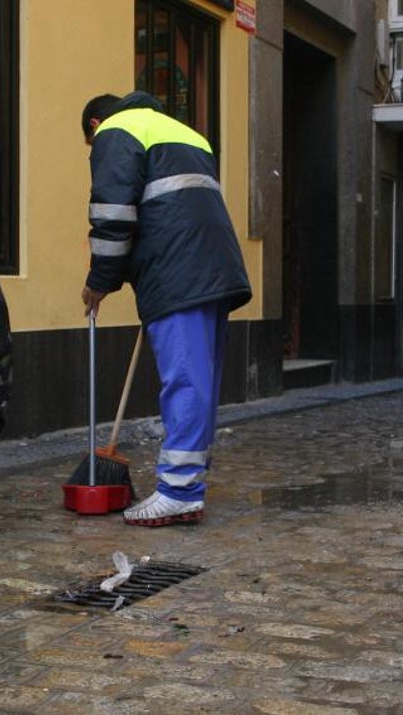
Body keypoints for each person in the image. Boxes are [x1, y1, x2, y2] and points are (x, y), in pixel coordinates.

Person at [80, 92, 252, 527]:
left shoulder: (117, 132)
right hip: (214, 268)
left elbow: (113, 214)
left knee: (184, 380)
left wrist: (100, 282)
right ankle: (189, 481)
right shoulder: (188, 134)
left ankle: (178, 490)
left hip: (178, 272)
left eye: (90, 142)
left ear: (96, 124)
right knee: (199, 380)